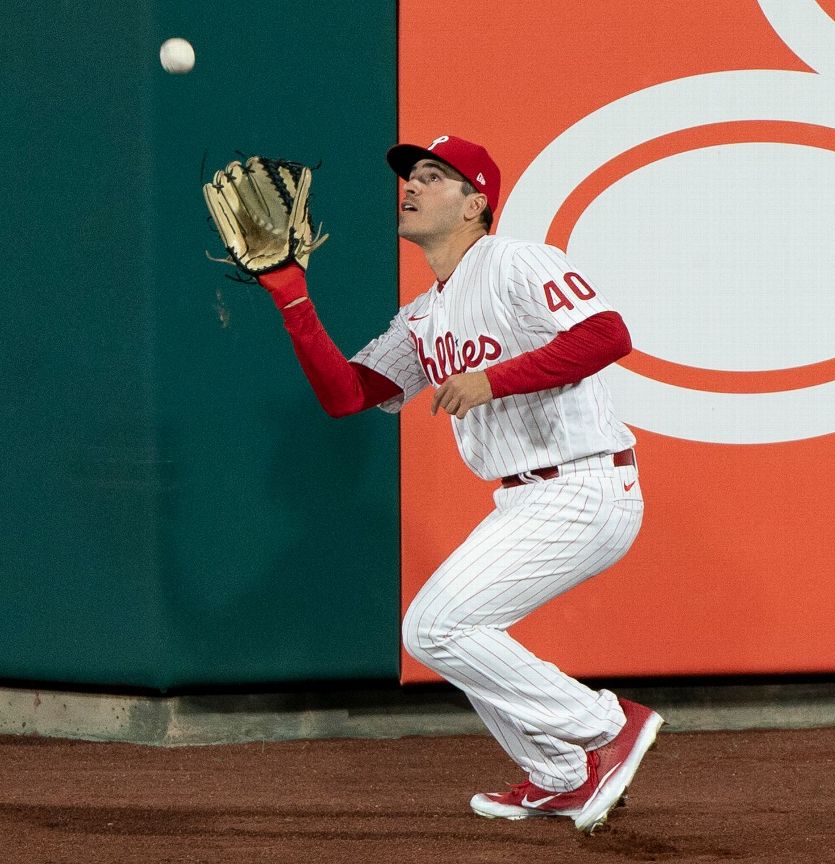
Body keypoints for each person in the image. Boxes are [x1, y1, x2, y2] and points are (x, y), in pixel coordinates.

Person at [253, 135, 662, 833]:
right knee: (461, 627)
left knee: (435, 627)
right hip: (526, 495)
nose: (409, 185)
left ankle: (605, 725)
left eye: (433, 175)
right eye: (409, 175)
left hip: (585, 483)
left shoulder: (514, 261)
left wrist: (492, 378)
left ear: (476, 204)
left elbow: (607, 335)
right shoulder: (423, 316)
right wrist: (292, 296)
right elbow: (348, 393)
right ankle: (561, 774)